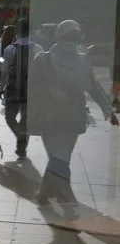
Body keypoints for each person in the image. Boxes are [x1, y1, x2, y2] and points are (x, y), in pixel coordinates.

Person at [29, 20, 118, 209]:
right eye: (67, 37)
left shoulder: (82, 61)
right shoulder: (43, 59)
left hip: (73, 117)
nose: (71, 41)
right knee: (59, 158)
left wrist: (107, 109)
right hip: (50, 117)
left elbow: (93, 86)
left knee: (61, 158)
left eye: (75, 37)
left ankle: (44, 194)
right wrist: (49, 92)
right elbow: (32, 88)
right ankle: (66, 198)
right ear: (58, 37)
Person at [0, 19, 43, 158]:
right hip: (31, 91)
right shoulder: (38, 49)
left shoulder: (10, 49)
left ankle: (20, 138)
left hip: (12, 89)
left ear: (17, 31)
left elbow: (5, 71)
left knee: (9, 118)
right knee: (26, 119)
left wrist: (2, 87)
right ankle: (22, 145)